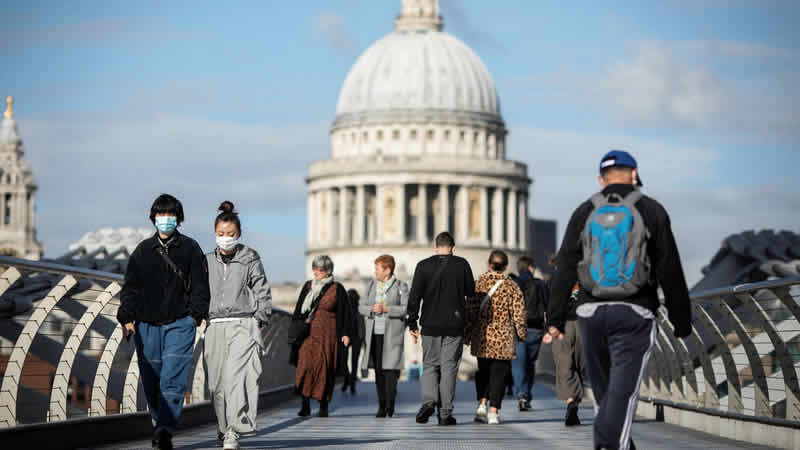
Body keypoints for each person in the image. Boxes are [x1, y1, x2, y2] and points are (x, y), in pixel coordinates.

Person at [546, 150, 691, 450]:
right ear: (635, 174)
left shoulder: (585, 211)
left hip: (590, 312)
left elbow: (564, 269)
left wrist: (555, 319)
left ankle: (618, 443)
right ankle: (609, 444)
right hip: (635, 312)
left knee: (603, 390)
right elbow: (669, 268)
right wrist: (681, 318)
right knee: (623, 392)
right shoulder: (651, 210)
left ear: (601, 180)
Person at [117, 194, 210, 450]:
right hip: (146, 324)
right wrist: (126, 318)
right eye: (160, 215)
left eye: (170, 215)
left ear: (178, 218)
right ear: (153, 218)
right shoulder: (142, 251)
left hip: (180, 323)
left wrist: (194, 317)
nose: (165, 219)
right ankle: (160, 426)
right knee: (151, 379)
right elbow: (131, 289)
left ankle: (165, 430)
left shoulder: (190, 248)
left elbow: (201, 287)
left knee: (173, 378)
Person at [203, 201, 272, 450]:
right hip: (214, 325)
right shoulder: (206, 260)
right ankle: (223, 428)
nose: (226, 239)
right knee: (216, 384)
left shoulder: (249, 257)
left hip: (243, 324)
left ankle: (233, 431)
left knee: (236, 379)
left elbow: (262, 289)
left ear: (238, 234)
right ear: (215, 233)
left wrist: (260, 317)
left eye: (230, 235)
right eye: (221, 234)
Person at [407, 231, 475, 426]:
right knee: (449, 369)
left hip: (430, 324)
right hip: (454, 325)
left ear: (435, 247)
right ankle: (445, 413)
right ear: (453, 248)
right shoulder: (462, 265)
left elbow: (414, 297)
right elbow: (471, 294)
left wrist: (412, 322)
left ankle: (428, 402)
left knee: (429, 365)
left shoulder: (423, 266)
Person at [466, 250, 526, 425]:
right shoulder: (512, 286)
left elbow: (470, 312)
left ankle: (482, 404)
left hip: (483, 336)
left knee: (483, 372)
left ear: (489, 264)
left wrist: (467, 334)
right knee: (499, 375)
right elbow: (519, 314)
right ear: (506, 266)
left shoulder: (480, 283)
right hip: (503, 338)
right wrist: (521, 335)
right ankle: (494, 411)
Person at [291, 255, 352, 418]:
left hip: (328, 335)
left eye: (320, 269)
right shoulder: (308, 286)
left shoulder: (337, 288)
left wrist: (345, 333)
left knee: (325, 368)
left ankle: (323, 404)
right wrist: (295, 330)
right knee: (305, 365)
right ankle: (305, 404)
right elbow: (298, 310)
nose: (316, 271)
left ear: (328, 271)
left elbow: (345, 313)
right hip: (308, 334)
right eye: (315, 268)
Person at [360, 255, 409, 418]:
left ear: (387, 270)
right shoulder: (371, 285)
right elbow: (362, 307)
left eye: (377, 268)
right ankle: (381, 406)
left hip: (392, 334)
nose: (375, 272)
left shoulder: (401, 285)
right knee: (379, 371)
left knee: (390, 371)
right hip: (374, 332)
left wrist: (386, 309)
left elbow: (405, 309)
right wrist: (371, 310)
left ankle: (390, 405)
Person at [508, 256, 547, 412]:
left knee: (518, 363)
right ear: (531, 268)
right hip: (535, 328)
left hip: (516, 328)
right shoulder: (540, 284)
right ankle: (527, 393)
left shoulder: (512, 284)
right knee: (530, 363)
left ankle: (522, 393)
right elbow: (547, 306)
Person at [549, 282, 585, 426]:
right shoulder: (589, 272)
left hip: (562, 324)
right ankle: (574, 405)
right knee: (579, 364)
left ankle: (571, 402)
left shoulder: (558, 278)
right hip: (585, 322)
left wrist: (549, 326)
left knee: (564, 365)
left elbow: (550, 304)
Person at [341, 289, 365, 395]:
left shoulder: (357, 309)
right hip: (351, 338)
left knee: (349, 362)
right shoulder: (347, 309)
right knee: (348, 362)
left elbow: (362, 326)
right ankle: (349, 381)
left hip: (355, 338)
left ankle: (350, 382)